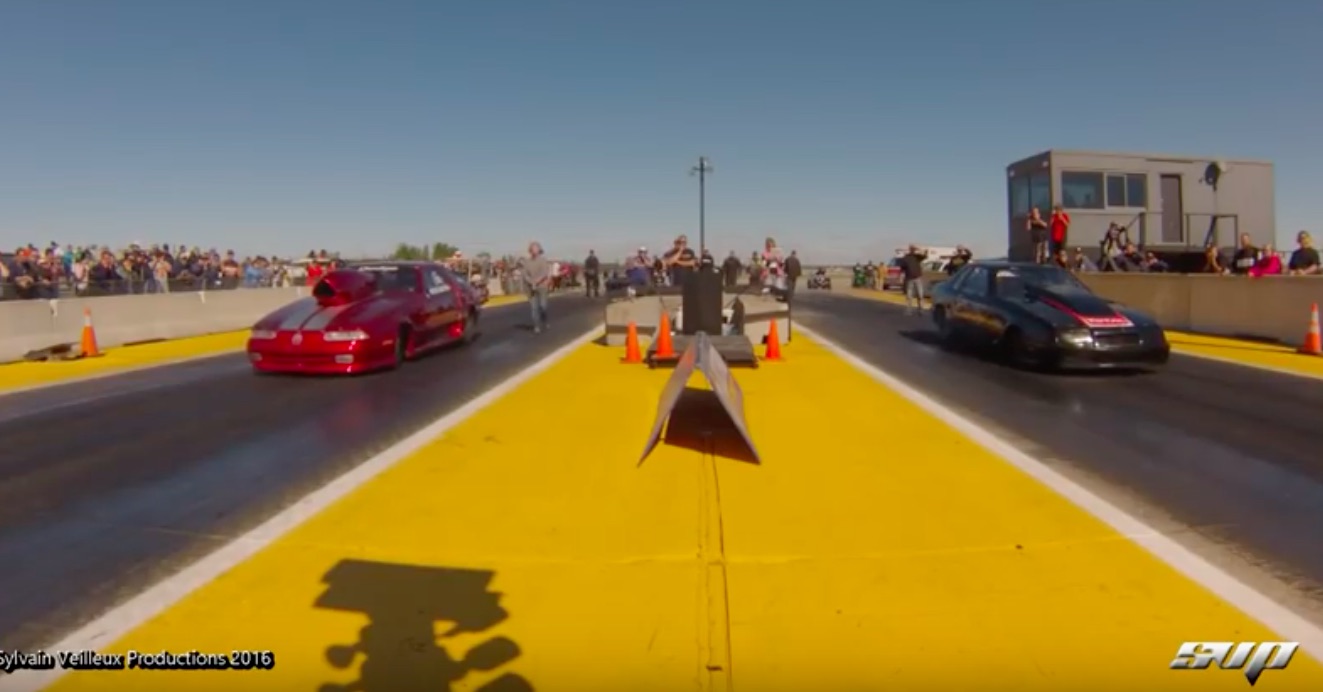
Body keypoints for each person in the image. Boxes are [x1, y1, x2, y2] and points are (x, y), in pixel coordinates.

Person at [521, 241, 552, 333]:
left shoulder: (543, 260)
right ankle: (536, 326)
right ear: (530, 250)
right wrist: (531, 282)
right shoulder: (527, 262)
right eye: (532, 249)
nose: (534, 250)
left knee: (543, 306)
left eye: (536, 248)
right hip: (532, 288)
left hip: (542, 286)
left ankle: (544, 319)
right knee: (534, 308)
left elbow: (544, 273)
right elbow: (525, 274)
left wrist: (537, 281)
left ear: (539, 250)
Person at [900, 245, 926, 315]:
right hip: (909, 278)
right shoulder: (906, 258)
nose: (913, 250)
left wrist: (920, 249)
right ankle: (909, 310)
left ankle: (921, 309)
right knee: (909, 295)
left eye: (914, 249)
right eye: (912, 249)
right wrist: (902, 276)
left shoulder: (917, 256)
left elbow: (925, 255)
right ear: (909, 249)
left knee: (920, 294)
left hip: (918, 277)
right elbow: (902, 268)